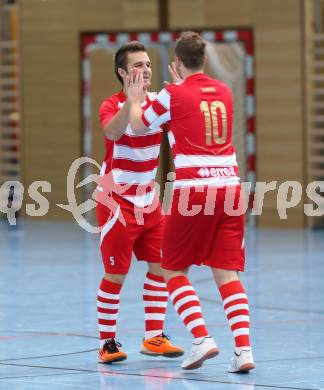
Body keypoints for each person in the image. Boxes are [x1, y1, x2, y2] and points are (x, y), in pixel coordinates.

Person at [128, 32, 255, 373]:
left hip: (194, 190)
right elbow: (196, 108)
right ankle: (244, 351)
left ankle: (201, 338)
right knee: (227, 273)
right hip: (230, 188)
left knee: (171, 268)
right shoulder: (226, 91)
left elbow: (139, 126)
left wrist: (137, 97)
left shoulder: (171, 93)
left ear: (178, 62)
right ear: (203, 59)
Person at [95, 41, 183, 364]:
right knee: (116, 275)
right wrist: (129, 104)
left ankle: (153, 337)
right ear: (122, 72)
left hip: (148, 199)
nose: (145, 70)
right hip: (115, 199)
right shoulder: (112, 104)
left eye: (147, 64)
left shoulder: (159, 102)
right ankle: (107, 343)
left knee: (161, 268)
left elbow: (181, 114)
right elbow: (113, 132)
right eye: (137, 65)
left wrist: (183, 88)